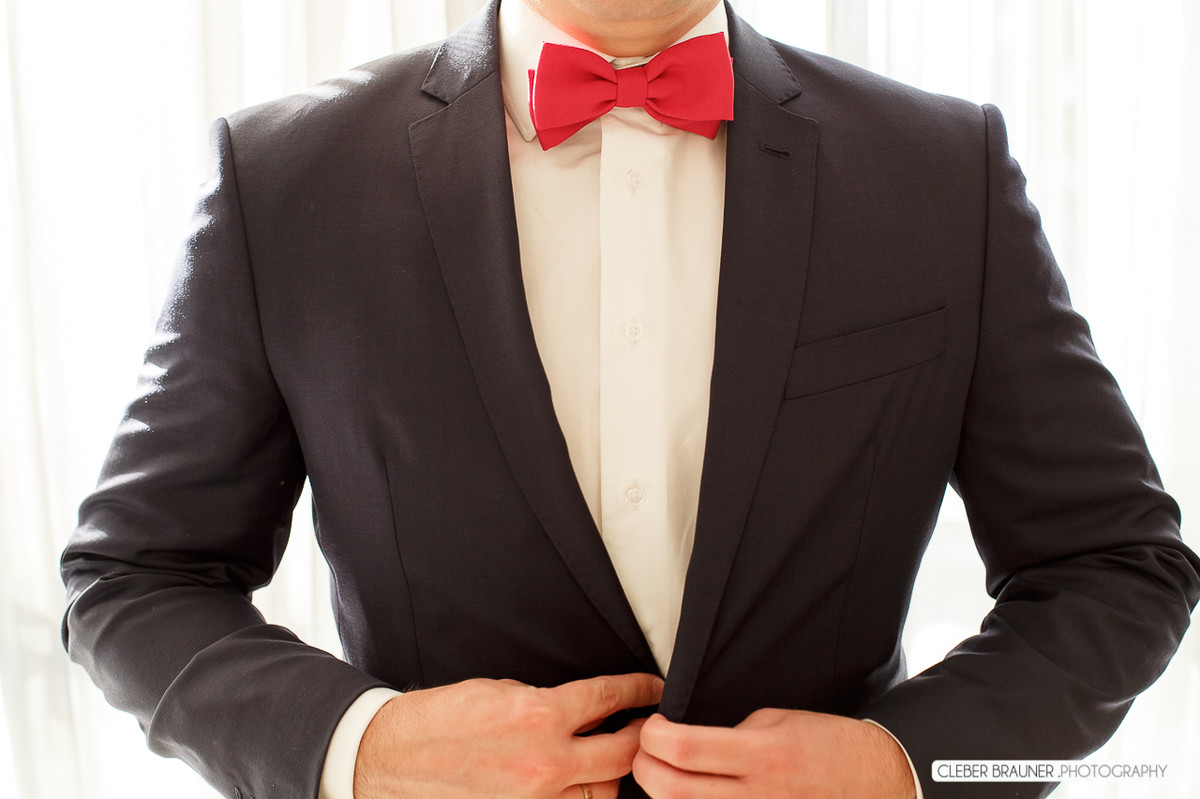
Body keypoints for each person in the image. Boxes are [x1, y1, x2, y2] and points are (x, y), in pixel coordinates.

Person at [60, 0, 1199, 797]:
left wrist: (908, 767)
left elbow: (1114, 563)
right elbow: (134, 579)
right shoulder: (284, 177)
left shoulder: (941, 168)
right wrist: (362, 748)